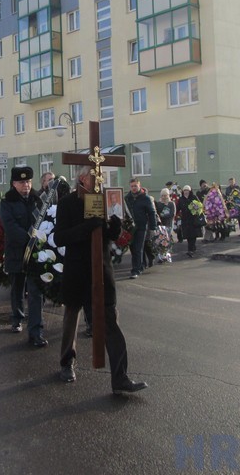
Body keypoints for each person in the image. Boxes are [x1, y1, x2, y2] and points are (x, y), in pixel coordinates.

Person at [53, 166, 148, 394]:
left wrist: (114, 224)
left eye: (101, 177)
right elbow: (59, 237)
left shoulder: (106, 199)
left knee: (110, 321)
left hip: (101, 269)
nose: (99, 180)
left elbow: (112, 235)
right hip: (77, 269)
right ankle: (67, 362)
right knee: (72, 317)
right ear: (82, 178)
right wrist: (87, 228)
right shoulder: (67, 202)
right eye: (95, 176)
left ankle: (120, 377)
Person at [0, 165, 48, 347]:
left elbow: (46, 221)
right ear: (14, 184)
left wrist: (40, 242)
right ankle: (17, 317)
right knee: (17, 287)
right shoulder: (8, 202)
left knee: (36, 292)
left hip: (36, 255)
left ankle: (36, 331)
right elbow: (10, 227)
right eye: (21, 182)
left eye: (28, 181)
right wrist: (30, 240)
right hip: (17, 252)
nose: (26, 185)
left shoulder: (38, 199)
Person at [124, 178, 157, 279]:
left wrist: (153, 227)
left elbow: (152, 213)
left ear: (139, 186)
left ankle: (136, 270)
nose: (133, 188)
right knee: (134, 249)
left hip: (142, 227)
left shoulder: (145, 198)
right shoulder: (127, 198)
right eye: (132, 186)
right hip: (131, 228)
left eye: (135, 186)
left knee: (138, 248)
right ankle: (141, 265)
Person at [177, 185, 202, 257]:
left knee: (193, 235)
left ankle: (192, 249)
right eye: (184, 190)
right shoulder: (181, 199)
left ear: (190, 191)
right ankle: (190, 249)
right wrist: (176, 215)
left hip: (193, 219)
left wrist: (196, 210)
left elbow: (199, 206)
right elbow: (178, 208)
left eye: (187, 190)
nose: (186, 192)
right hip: (185, 219)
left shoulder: (194, 197)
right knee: (188, 235)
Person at [154, 188, 176, 263]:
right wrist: (161, 216)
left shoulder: (171, 203)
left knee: (167, 239)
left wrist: (164, 215)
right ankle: (161, 256)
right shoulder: (159, 203)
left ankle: (167, 255)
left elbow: (172, 214)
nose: (164, 197)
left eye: (165, 195)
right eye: (162, 195)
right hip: (161, 225)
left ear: (168, 195)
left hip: (169, 224)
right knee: (160, 240)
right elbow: (157, 214)